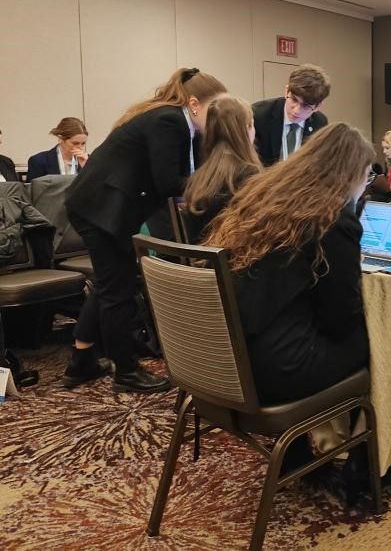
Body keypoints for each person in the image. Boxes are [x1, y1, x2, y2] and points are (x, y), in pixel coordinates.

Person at [62, 67, 227, 393]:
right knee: (118, 290)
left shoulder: (170, 119)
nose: (218, 117)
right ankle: (126, 372)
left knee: (110, 284)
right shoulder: (170, 121)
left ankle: (80, 362)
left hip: (100, 206)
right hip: (100, 209)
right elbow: (167, 182)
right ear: (194, 103)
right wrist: (216, 187)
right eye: (215, 108)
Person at [204, 122, 375, 406]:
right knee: (380, 339)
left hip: (227, 358)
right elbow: (339, 321)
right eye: (368, 176)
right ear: (354, 173)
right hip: (280, 368)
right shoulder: (333, 218)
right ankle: (368, 434)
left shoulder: (267, 199)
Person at [182, 96, 262, 245]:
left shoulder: (199, 176)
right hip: (232, 257)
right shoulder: (250, 175)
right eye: (251, 125)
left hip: (202, 256)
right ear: (244, 130)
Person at [252, 64, 330, 167]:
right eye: (294, 100)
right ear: (286, 91)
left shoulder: (320, 123)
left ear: (318, 106)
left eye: (306, 106)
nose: (297, 110)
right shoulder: (258, 115)